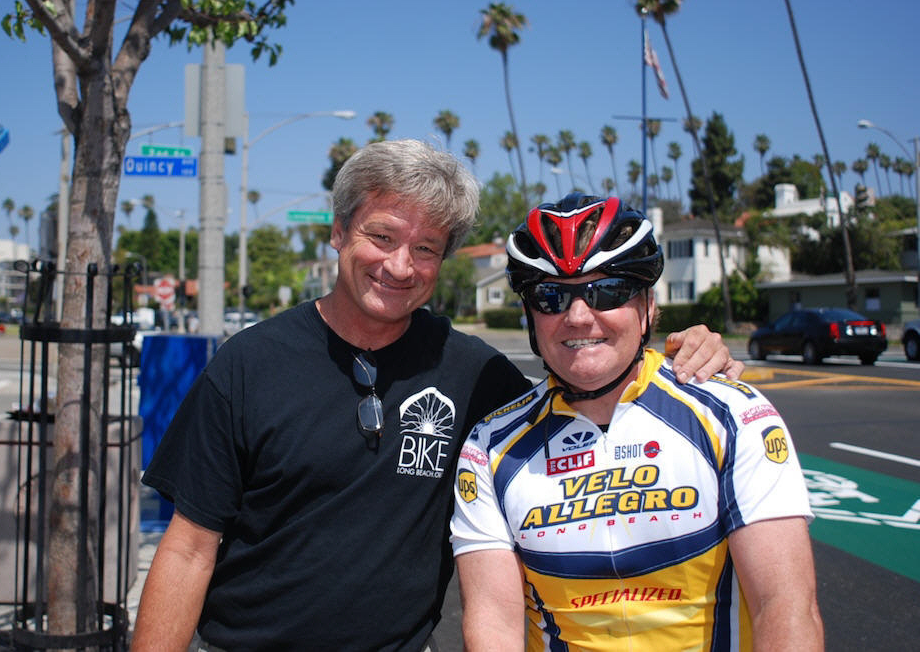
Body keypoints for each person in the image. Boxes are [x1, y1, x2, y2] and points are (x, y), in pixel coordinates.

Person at [132, 142, 742, 652]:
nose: (401, 266)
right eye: (382, 236)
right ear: (339, 233)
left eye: (426, 249)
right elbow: (187, 550)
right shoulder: (250, 363)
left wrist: (688, 350)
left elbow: (590, 377)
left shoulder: (475, 374)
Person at [450, 194, 823, 651]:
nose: (578, 315)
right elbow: (493, 626)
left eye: (607, 291)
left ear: (647, 305)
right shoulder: (489, 448)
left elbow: (784, 607)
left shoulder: (733, 416)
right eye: (552, 296)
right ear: (530, 315)